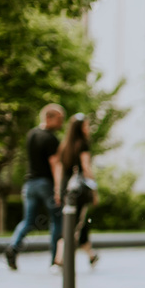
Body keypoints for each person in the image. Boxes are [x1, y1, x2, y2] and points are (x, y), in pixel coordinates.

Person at [5, 104, 66, 271]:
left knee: (28, 221)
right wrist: (58, 190)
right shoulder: (51, 139)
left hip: (30, 183)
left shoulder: (31, 134)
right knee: (56, 220)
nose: (62, 123)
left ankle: (13, 247)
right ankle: (55, 260)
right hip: (45, 184)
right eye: (60, 119)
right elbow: (55, 165)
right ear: (49, 117)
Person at [54, 113, 99, 268]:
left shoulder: (64, 145)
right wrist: (94, 189)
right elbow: (86, 168)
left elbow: (59, 169)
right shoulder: (83, 144)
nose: (88, 129)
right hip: (79, 191)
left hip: (66, 189)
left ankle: (91, 255)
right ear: (80, 128)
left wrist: (58, 190)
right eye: (86, 125)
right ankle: (60, 259)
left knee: (79, 223)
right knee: (74, 224)